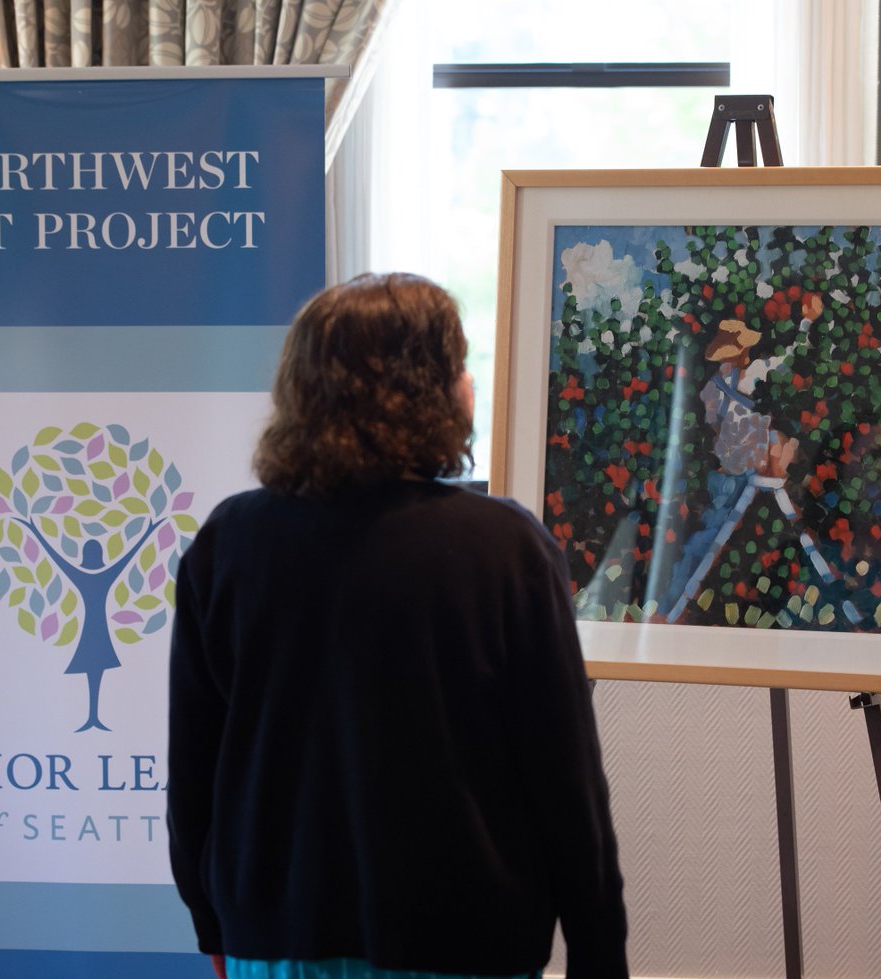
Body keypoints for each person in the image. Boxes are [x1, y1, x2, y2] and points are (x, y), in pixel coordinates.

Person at [167, 272, 627, 979]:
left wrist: (213, 926)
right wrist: (600, 955)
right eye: (461, 364)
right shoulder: (505, 548)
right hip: (467, 941)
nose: (471, 382)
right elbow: (567, 786)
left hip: (276, 939)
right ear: (425, 389)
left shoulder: (227, 542)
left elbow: (193, 773)